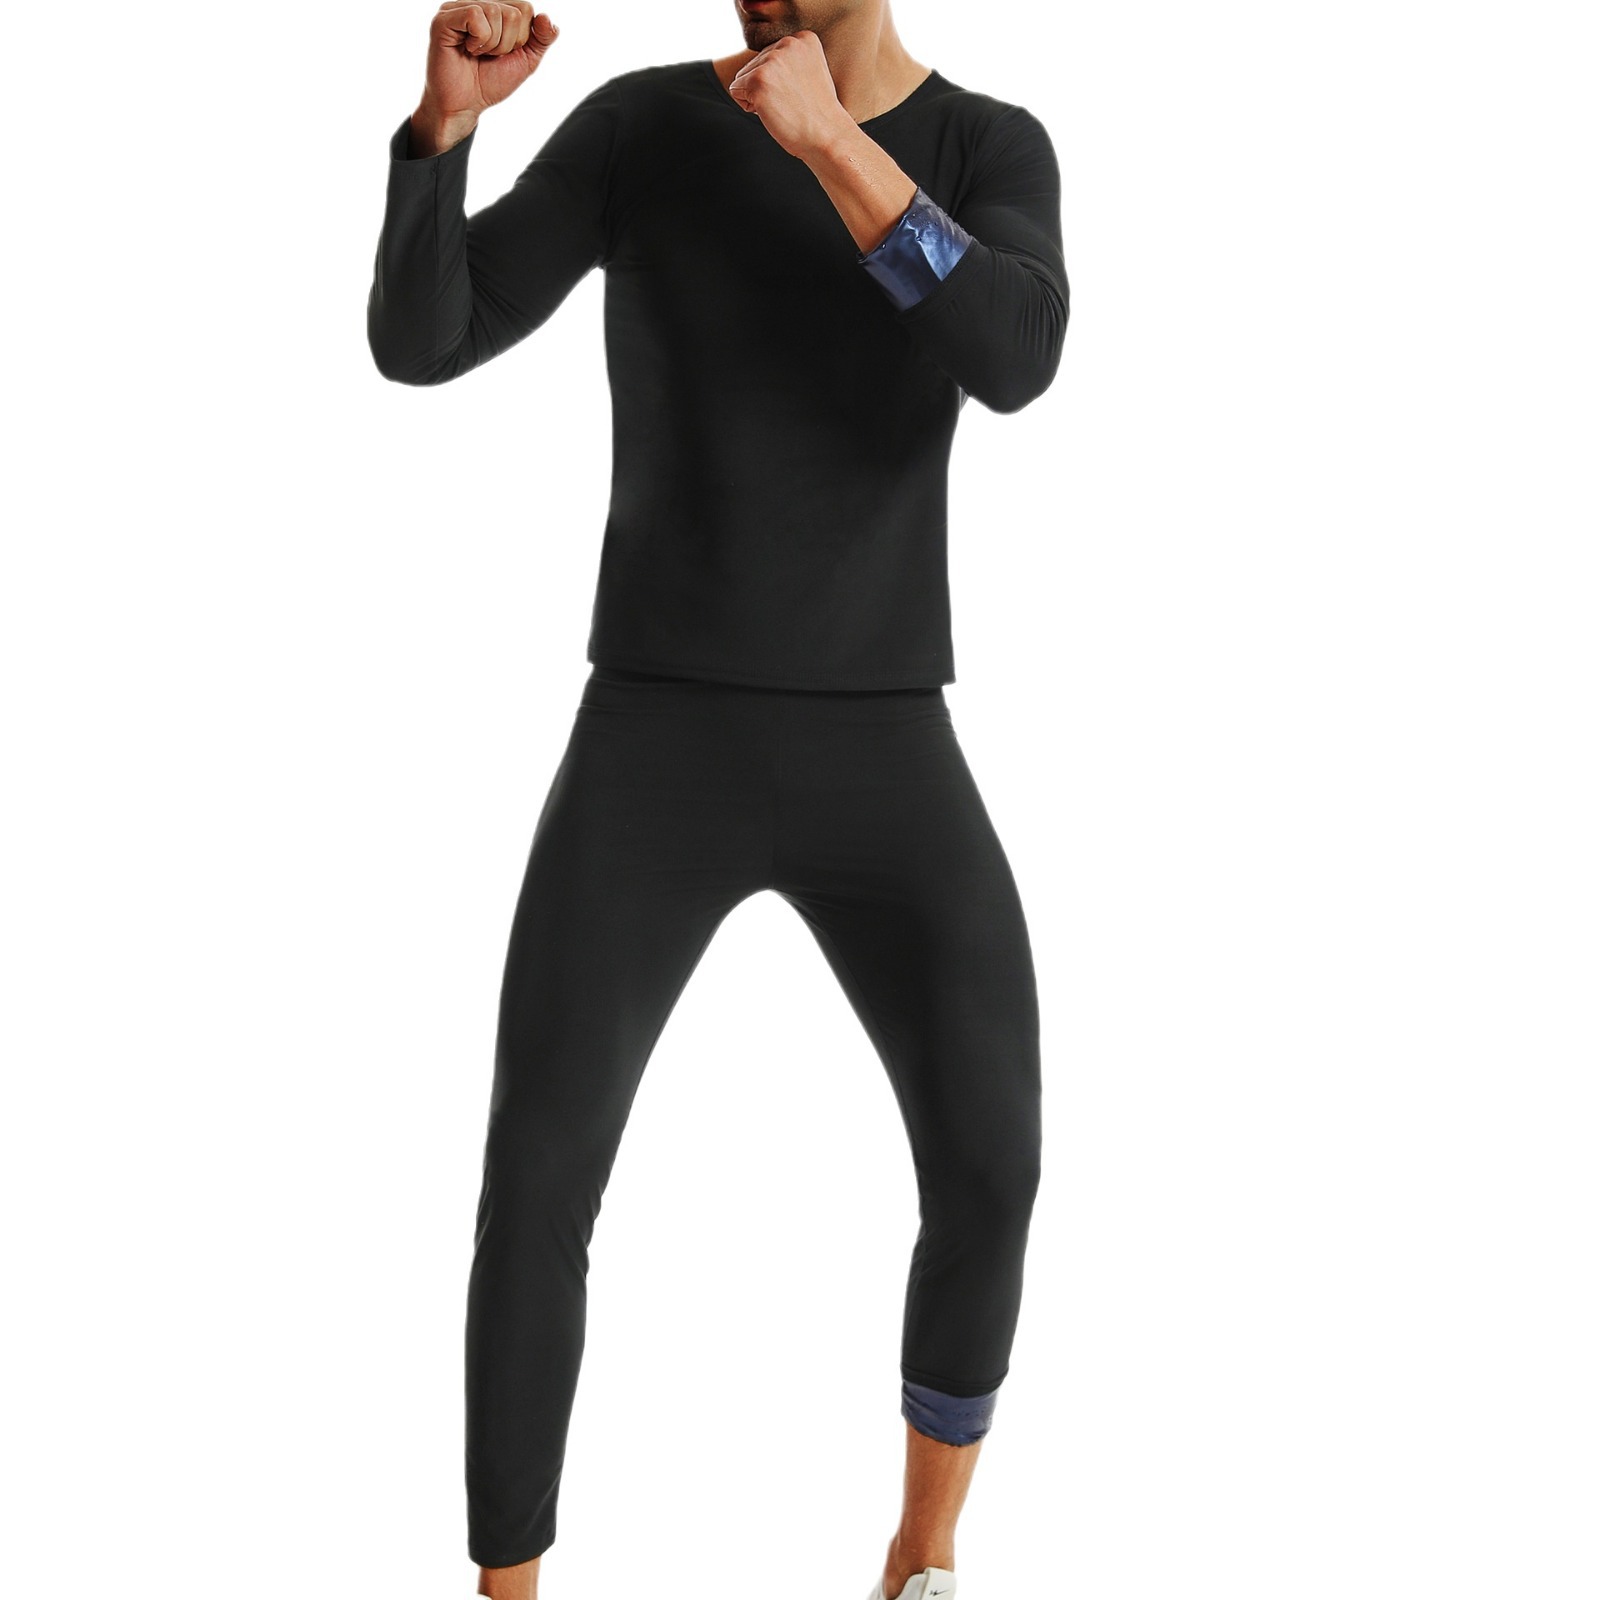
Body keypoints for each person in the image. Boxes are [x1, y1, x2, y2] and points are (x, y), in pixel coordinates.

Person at [367, 2, 1068, 1594]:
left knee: (992, 1159)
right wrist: (442, 135)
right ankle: (507, 1588)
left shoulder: (988, 146)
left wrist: (832, 144)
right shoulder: (646, 126)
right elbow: (426, 338)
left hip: (883, 731)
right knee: (537, 1176)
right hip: (655, 735)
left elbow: (1015, 356)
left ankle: (922, 1554)